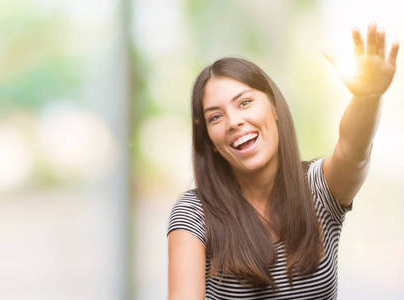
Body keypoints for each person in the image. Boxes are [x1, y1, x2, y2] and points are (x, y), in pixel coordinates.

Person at [167, 21, 399, 300]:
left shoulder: (318, 190)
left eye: (244, 103)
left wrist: (367, 97)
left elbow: (354, 149)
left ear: (274, 107)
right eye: (216, 117)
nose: (234, 121)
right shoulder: (195, 214)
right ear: (210, 142)